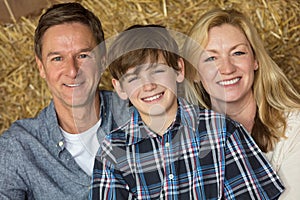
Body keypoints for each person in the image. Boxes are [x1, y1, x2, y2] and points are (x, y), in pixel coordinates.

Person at [89, 24, 284, 200]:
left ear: (179, 70)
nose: (148, 86)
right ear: (120, 88)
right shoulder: (112, 152)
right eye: (133, 78)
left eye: (157, 71)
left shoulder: (223, 132)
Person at [0, 2, 129, 199]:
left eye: (83, 55)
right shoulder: (19, 147)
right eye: (57, 59)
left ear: (103, 60)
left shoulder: (137, 113)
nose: (72, 71)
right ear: (41, 67)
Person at [182, 8, 300, 199]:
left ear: (255, 61)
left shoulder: (294, 128)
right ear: (195, 72)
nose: (227, 68)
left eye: (237, 53)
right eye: (211, 58)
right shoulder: (184, 141)